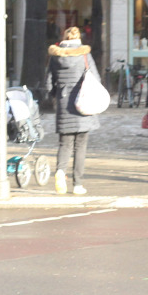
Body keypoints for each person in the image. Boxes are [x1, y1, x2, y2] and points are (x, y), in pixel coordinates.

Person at [45, 26, 100, 195]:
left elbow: (48, 83)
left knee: (65, 144)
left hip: (64, 104)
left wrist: (56, 95)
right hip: (82, 103)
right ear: (78, 39)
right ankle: (77, 184)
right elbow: (95, 78)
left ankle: (60, 171)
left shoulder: (55, 57)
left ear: (64, 38)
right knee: (80, 146)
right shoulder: (84, 55)